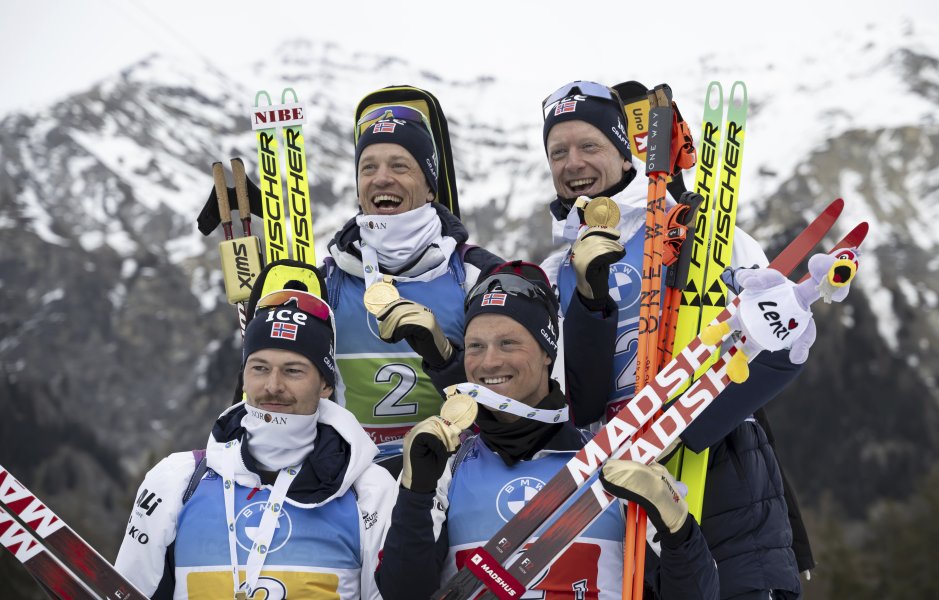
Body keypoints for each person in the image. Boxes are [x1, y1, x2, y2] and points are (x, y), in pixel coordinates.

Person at [538, 81, 810, 599]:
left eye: (589, 146)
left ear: (623, 152)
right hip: (616, 471)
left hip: (721, 465)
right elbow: (577, 398)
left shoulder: (704, 233)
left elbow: (769, 345)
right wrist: (589, 297)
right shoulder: (555, 273)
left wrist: (689, 424)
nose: (573, 163)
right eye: (559, 152)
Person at [376, 266, 719, 599]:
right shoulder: (446, 469)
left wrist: (677, 528)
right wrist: (415, 493)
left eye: (508, 343)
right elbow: (403, 591)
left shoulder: (612, 461)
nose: (489, 362)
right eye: (476, 347)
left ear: (546, 352)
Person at [115, 290, 395, 599]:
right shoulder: (178, 480)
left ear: (325, 384)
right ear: (244, 379)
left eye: (293, 370)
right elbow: (129, 590)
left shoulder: (368, 490)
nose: (273, 386)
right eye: (259, 368)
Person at [324, 99, 503, 470]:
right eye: (368, 167)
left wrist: (444, 359)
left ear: (430, 187)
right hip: (353, 483)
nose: (381, 178)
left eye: (400, 166)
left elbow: (509, 401)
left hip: (454, 478)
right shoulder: (327, 281)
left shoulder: (476, 276)